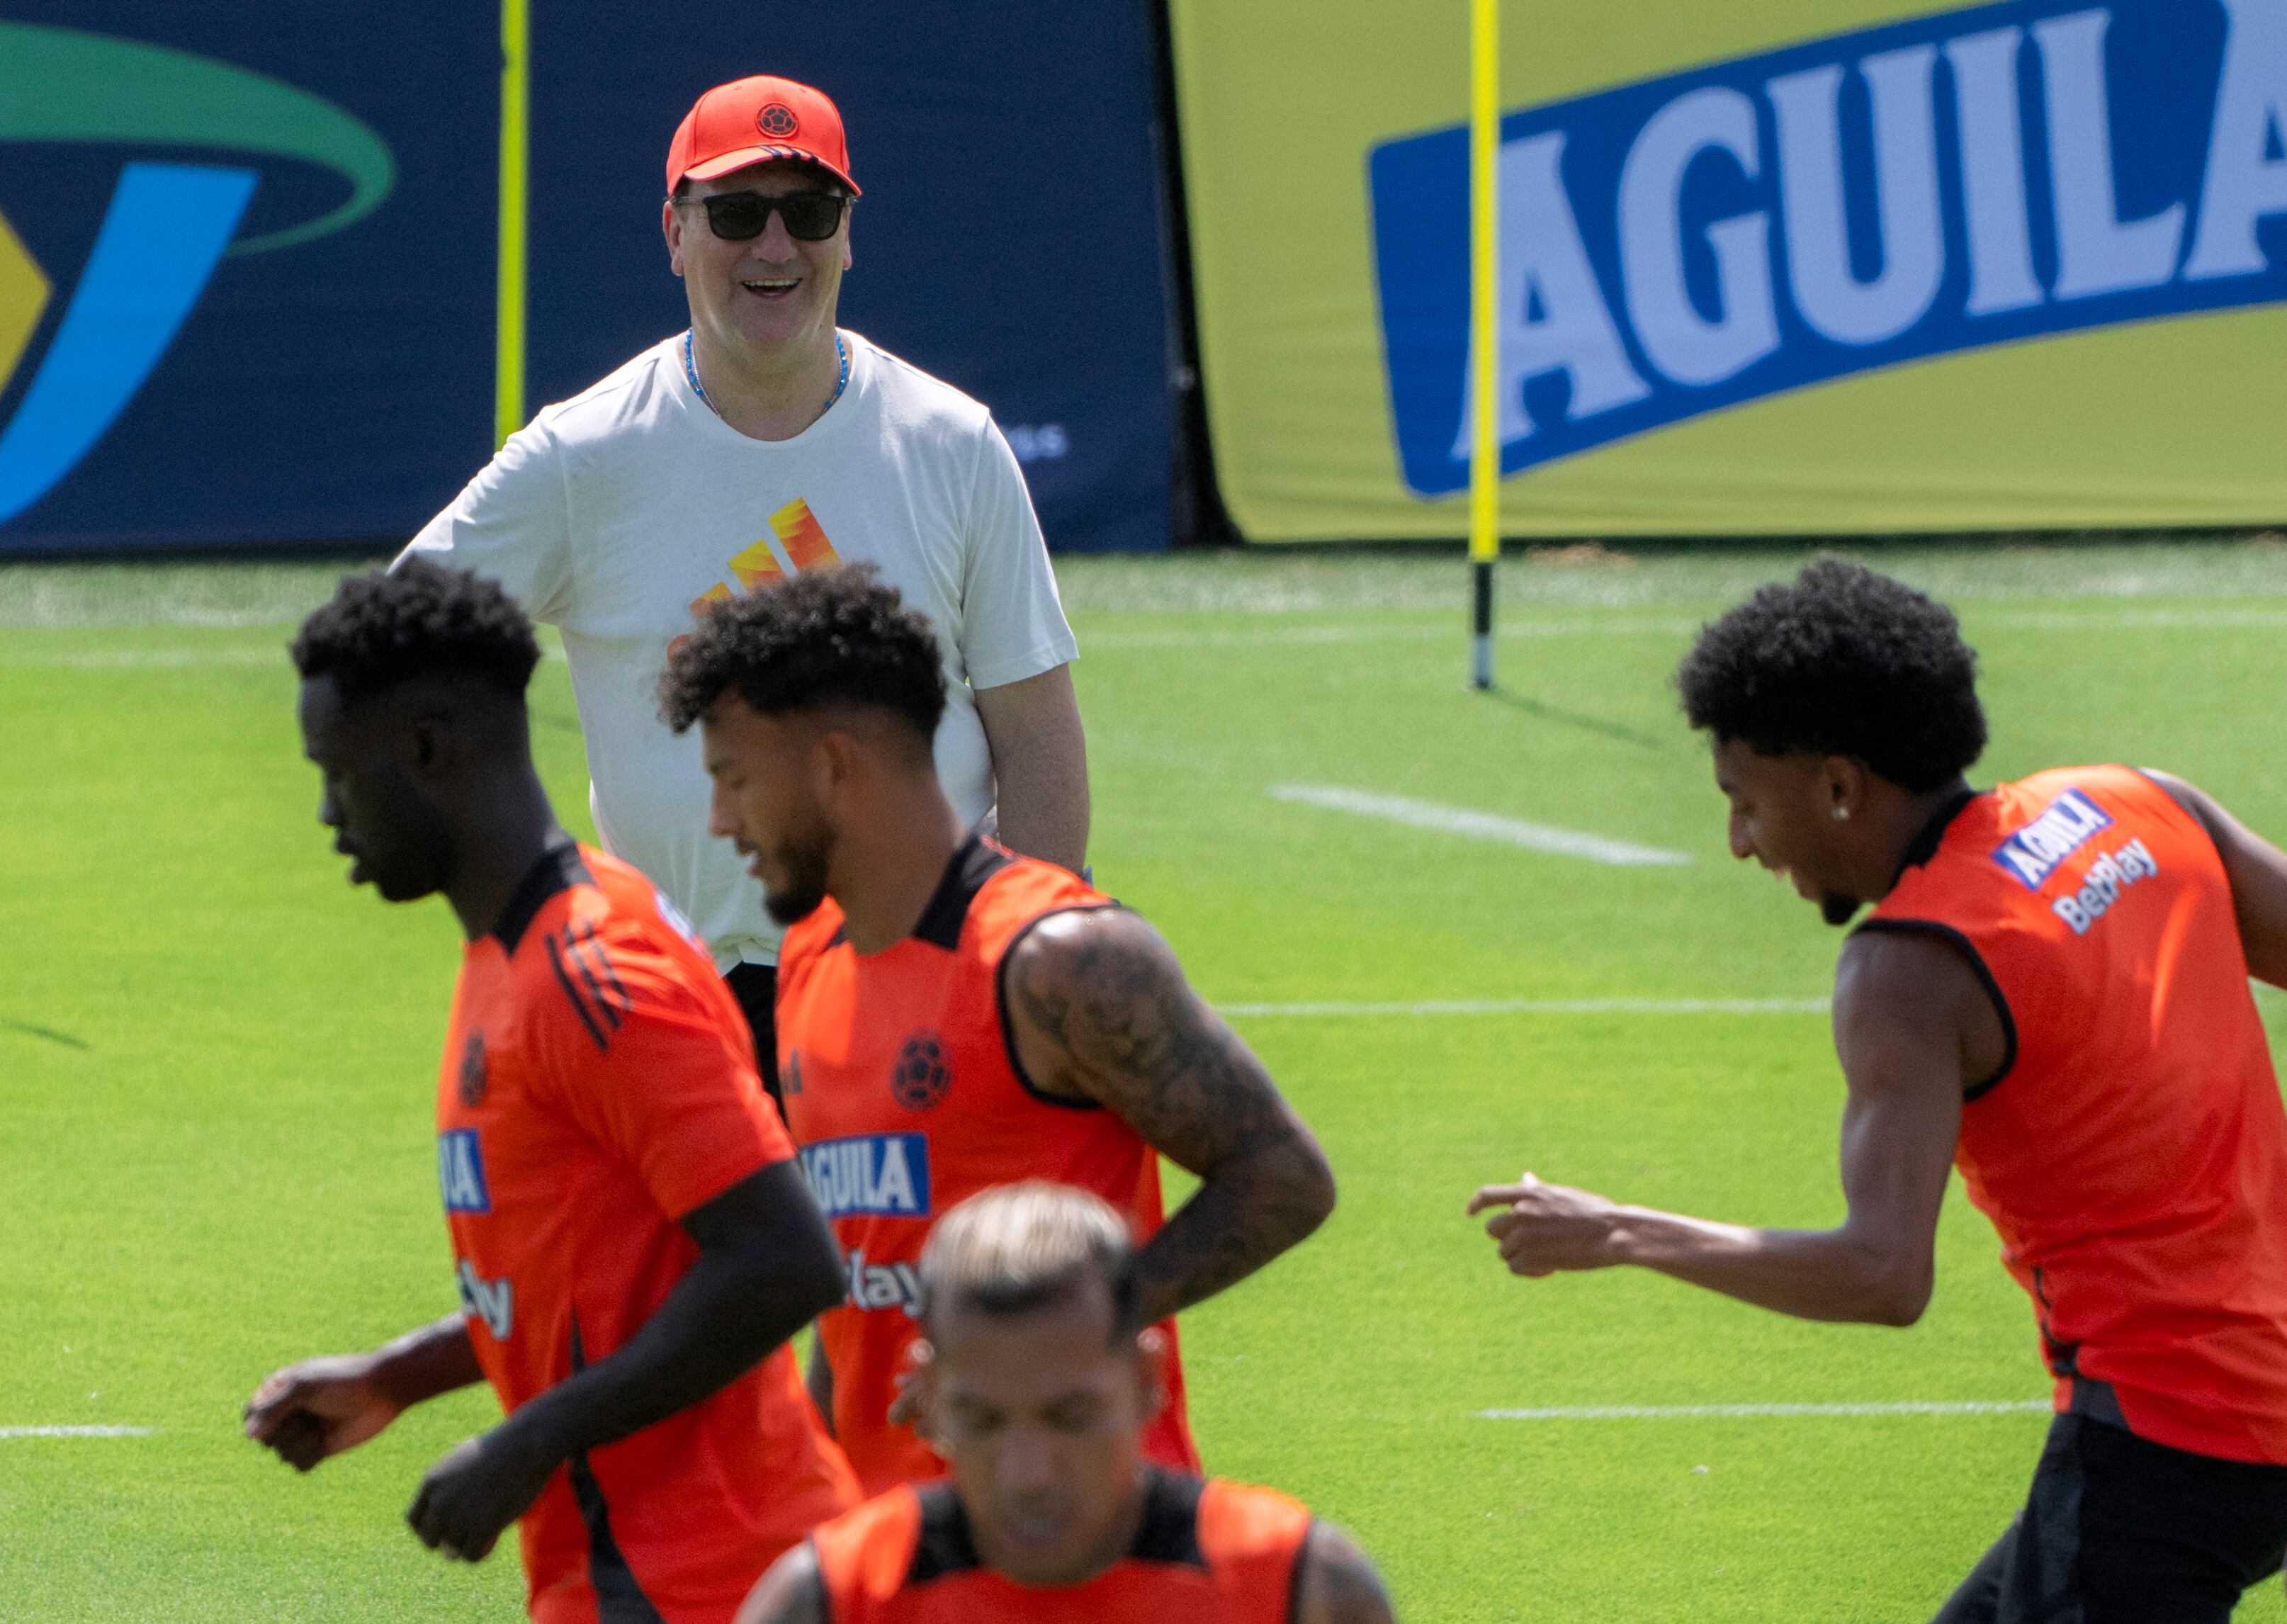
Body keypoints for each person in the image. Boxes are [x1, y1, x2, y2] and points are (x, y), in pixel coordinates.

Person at [1469, 557, 2287, 1620]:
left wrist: (1618, 1232)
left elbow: (1882, 1276)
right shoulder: (2139, 806)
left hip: (2171, 1438)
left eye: (1745, 803)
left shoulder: (1911, 964)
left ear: (1841, 786)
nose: (1739, 844)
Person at [400, 72, 1088, 1102]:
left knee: (913, 1272)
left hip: (916, 987)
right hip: (678, 1005)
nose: (775, 247)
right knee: (701, 1272)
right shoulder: (583, 457)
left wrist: (1020, 968)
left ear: (849, 234)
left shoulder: (953, 443)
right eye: (734, 212)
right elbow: (389, 652)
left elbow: (1035, 735)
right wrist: (535, 887)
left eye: (809, 213)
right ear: (675, 233)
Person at [244, 559, 859, 1624]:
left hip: (710, 1579)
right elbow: (592, 1278)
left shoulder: (594, 973)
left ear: (426, 751)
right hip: (628, 1578)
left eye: (338, 774)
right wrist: (399, 1376)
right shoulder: (514, 952)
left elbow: (785, 1258)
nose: (325, 813)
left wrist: (529, 1439)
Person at [656, 563, 1337, 1494]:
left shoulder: (1060, 959)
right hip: (899, 1558)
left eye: (734, 780)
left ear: (832, 766)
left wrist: (1043, 1342)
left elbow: (1284, 1179)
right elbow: (859, 1293)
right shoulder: (810, 960)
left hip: (1087, 1542)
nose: (720, 822)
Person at [734, 1182, 1395, 1624]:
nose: (1031, 1476)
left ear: (1146, 1382)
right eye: (984, 1421)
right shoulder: (830, 1601)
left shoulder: (1297, 1591)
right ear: (928, 1401)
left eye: (1071, 1418)